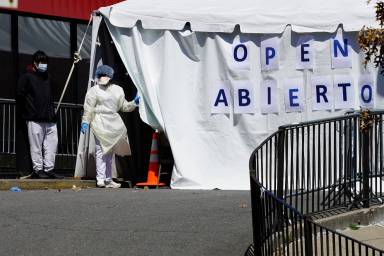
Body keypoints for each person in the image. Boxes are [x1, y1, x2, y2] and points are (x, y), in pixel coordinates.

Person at [81, 65, 140, 188]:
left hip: (113, 122)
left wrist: (133, 103)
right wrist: (86, 121)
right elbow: (89, 107)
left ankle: (108, 179)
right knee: (101, 150)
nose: (103, 77)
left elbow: (123, 106)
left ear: (110, 77)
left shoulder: (118, 90)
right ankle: (101, 179)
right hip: (99, 120)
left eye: (105, 75)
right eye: (101, 75)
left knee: (110, 151)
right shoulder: (94, 90)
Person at [17, 50, 62, 179]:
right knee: (36, 146)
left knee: (52, 145)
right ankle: (38, 169)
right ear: (35, 63)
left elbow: (54, 90)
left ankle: (49, 169)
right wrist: (28, 110)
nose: (44, 65)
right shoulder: (26, 77)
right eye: (41, 62)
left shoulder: (48, 77)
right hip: (34, 117)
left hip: (50, 118)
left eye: (45, 62)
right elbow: (20, 94)